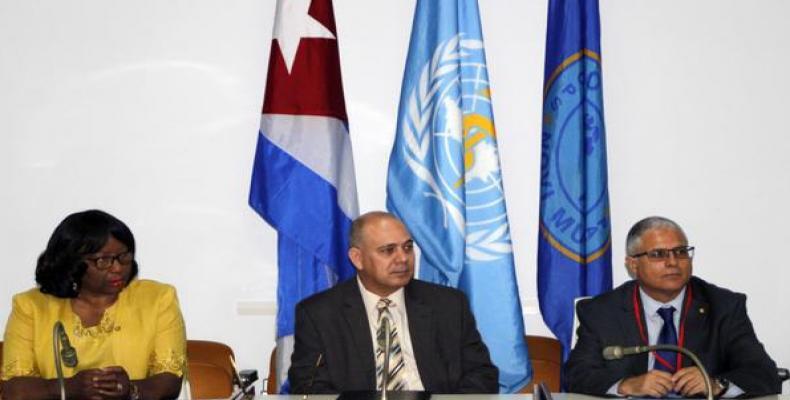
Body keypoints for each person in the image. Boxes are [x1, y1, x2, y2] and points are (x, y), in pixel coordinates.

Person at [566, 216, 781, 398]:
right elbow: (577, 374)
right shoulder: (601, 311)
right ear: (633, 265)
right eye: (658, 254)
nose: (673, 262)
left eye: (680, 252)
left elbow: (764, 373)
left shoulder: (723, 306)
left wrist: (717, 384)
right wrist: (627, 385)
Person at [288, 211, 498, 394]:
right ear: (357, 258)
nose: (402, 259)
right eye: (388, 250)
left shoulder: (448, 304)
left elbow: (481, 374)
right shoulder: (319, 314)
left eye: (407, 248)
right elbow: (309, 386)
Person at [1, 210, 186, 400]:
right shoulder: (30, 307)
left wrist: (130, 390)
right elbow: (14, 390)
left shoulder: (157, 299)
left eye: (124, 257)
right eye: (103, 260)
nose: (118, 268)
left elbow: (169, 381)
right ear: (72, 263)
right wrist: (67, 388)